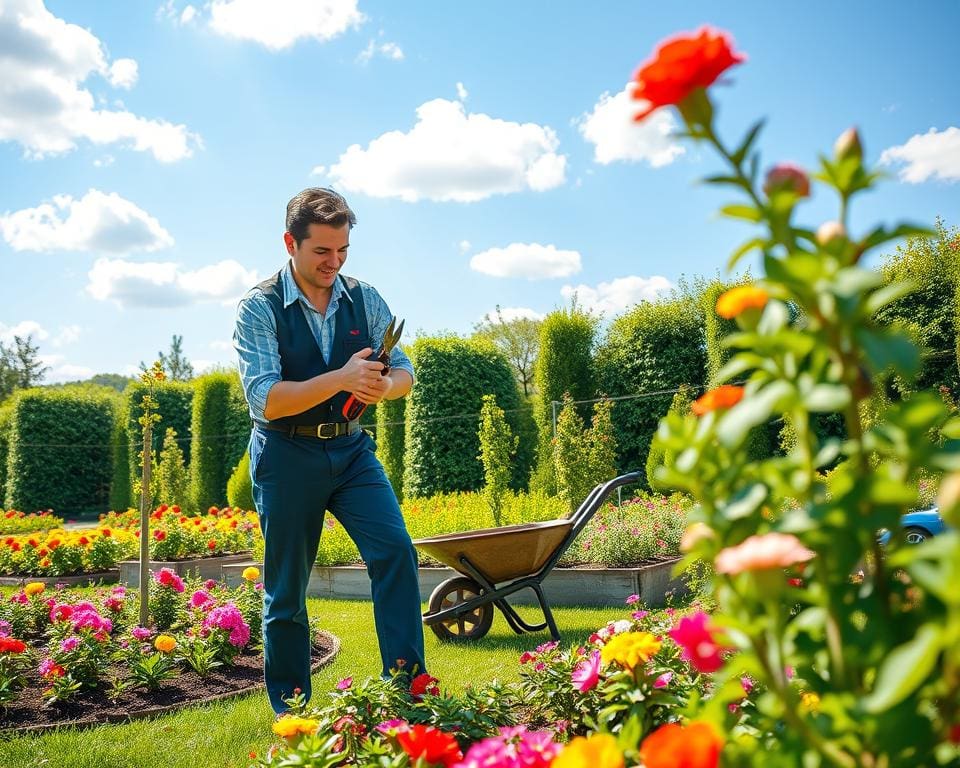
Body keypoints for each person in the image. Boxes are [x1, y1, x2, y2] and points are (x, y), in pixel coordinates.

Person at [233, 187, 426, 714]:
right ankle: (293, 713)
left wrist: (383, 387)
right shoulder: (260, 307)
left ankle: (406, 693)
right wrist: (340, 377)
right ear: (290, 243)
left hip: (351, 452)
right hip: (285, 454)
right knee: (287, 594)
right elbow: (267, 399)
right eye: (322, 251)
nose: (334, 263)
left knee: (395, 553)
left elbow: (405, 371)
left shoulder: (365, 298)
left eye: (342, 251)